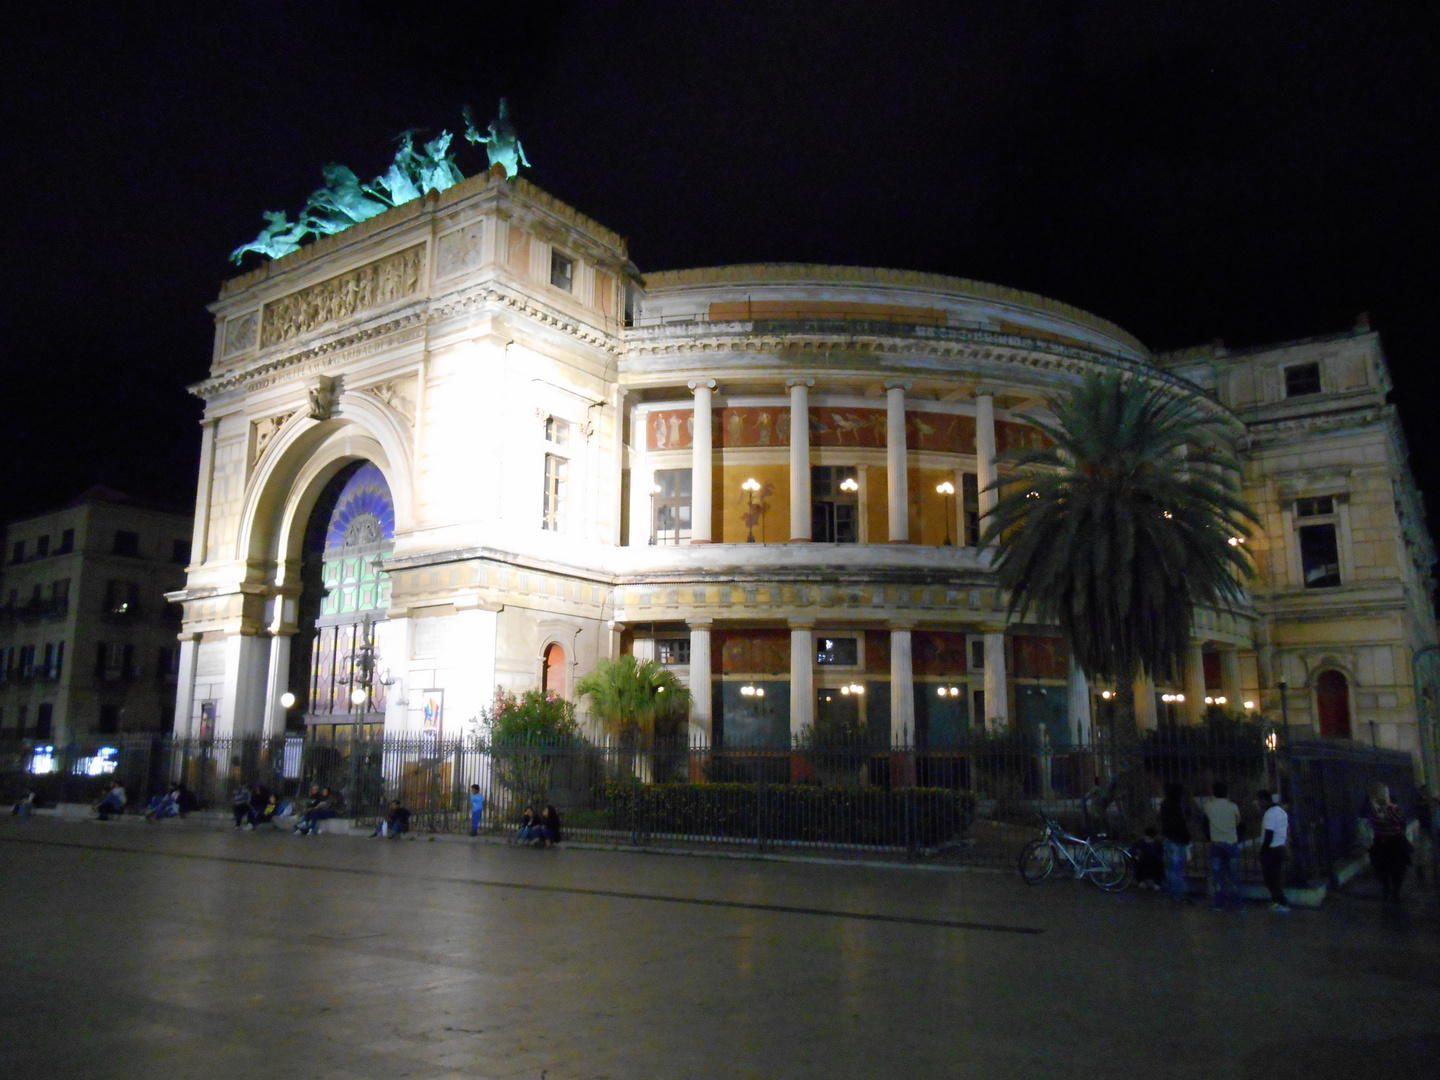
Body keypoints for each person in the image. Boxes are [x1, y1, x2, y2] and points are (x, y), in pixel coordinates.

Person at [1202, 781, 1243, 910]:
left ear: (1214, 792)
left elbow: (1205, 822)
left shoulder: (1208, 806)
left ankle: (1219, 902)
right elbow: (1238, 822)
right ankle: (1237, 903)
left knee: (1218, 875)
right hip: (1231, 843)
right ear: (1226, 792)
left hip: (1216, 843)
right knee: (1234, 875)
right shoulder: (1233, 807)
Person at [1366, 783, 1411, 902]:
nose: (1384, 795)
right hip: (1382, 842)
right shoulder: (1373, 808)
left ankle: (1395, 890)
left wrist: (1389, 807)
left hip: (1395, 842)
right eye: (1382, 793)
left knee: (1397, 868)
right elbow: (1374, 820)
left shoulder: (1395, 807)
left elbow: (1397, 819)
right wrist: (1378, 806)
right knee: (1382, 868)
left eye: (1385, 793)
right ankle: (1386, 887)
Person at [1256, 791, 1290, 912]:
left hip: (1271, 850)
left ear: (1264, 800)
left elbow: (1268, 834)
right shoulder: (1281, 812)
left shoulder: (1269, 814)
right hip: (1280, 847)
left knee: (1270, 878)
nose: (1258, 803)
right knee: (1276, 877)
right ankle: (1278, 901)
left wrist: (1263, 850)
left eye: (1259, 801)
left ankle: (1279, 901)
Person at [1159, 782, 1193, 903]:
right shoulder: (1176, 806)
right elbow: (1180, 824)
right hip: (1177, 839)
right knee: (1177, 869)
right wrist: (1186, 837)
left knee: (1172, 868)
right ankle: (1178, 895)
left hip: (1170, 838)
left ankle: (1172, 892)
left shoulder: (1165, 804)